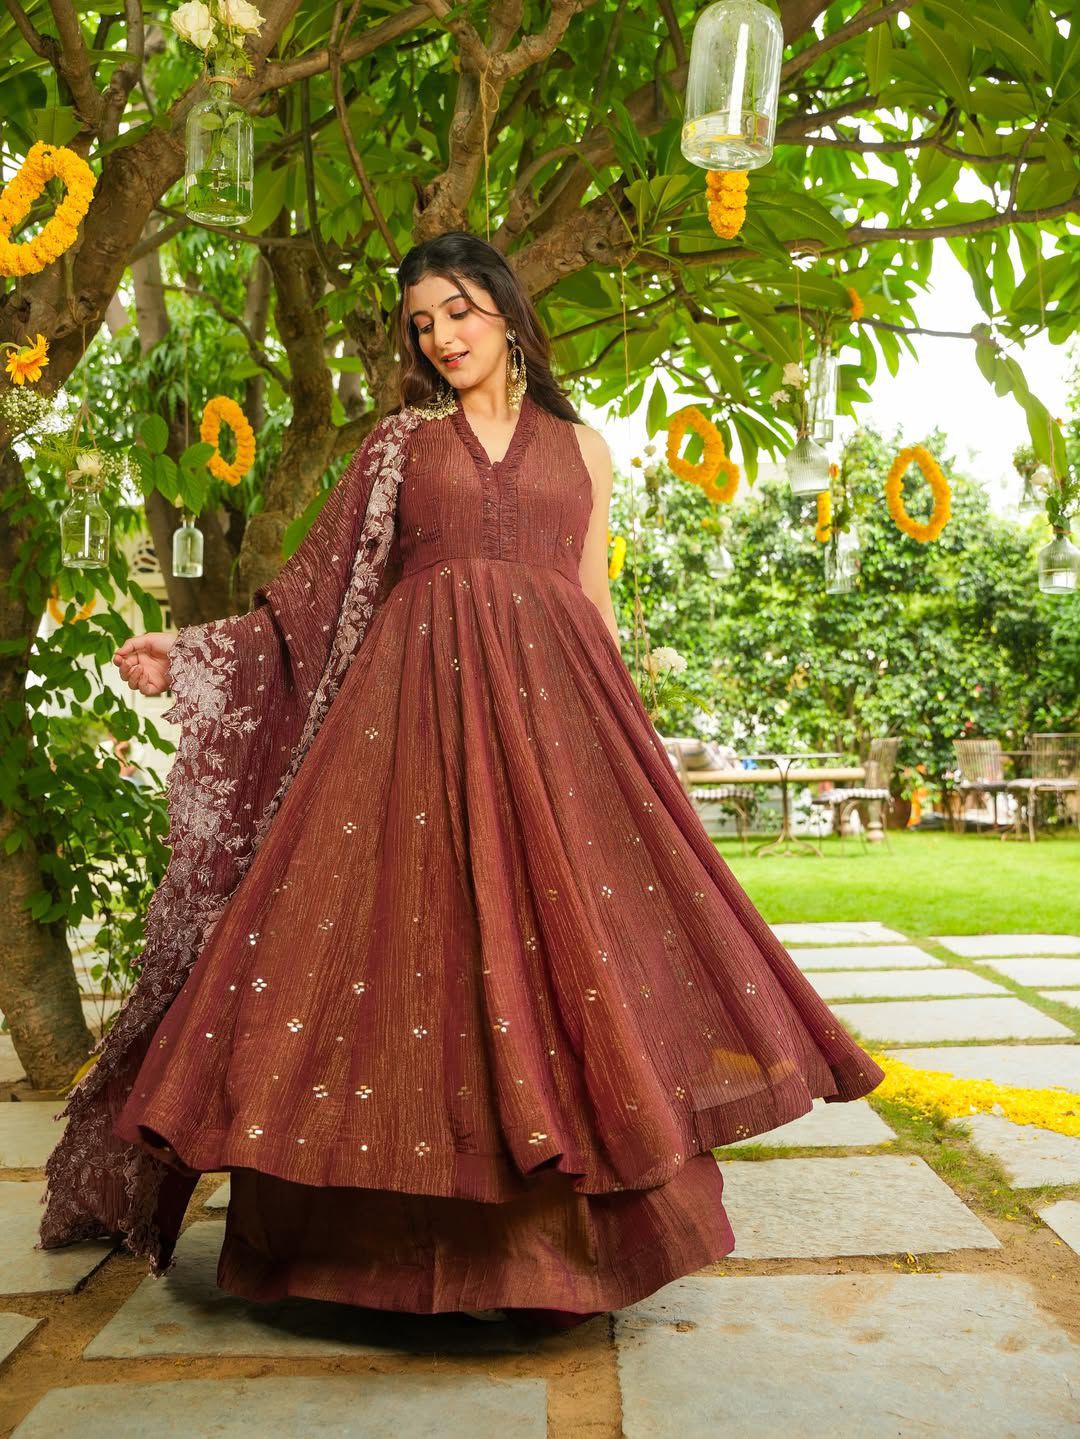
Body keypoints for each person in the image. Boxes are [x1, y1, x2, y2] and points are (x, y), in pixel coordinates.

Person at [37, 232, 885, 1336]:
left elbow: (593, 607)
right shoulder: (400, 445)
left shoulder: (584, 450)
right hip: (408, 734)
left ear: (506, 310)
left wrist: (621, 750)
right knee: (407, 953)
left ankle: (558, 1252)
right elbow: (311, 598)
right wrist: (192, 651)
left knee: (565, 958)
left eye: (457, 310)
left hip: (551, 731)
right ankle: (367, 1256)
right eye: (422, 322)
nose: (441, 336)